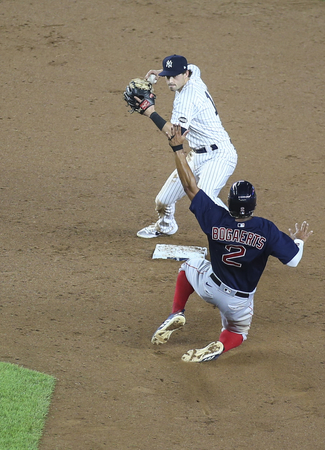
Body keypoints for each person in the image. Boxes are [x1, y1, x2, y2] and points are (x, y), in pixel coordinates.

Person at [150, 124, 313, 363]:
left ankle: (177, 312)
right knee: (238, 332)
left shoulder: (216, 216)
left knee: (189, 267)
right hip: (238, 301)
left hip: (208, 286)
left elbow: (189, 187)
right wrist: (298, 240)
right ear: (254, 205)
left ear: (230, 202)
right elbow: (294, 260)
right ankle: (221, 344)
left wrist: (177, 148)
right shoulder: (265, 229)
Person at [133, 54, 238, 238]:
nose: (171, 81)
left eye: (175, 76)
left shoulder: (186, 99)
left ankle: (238, 232)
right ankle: (166, 226)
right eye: (167, 76)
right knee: (163, 201)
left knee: (206, 198)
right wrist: (161, 71)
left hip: (219, 155)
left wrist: (150, 112)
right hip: (197, 155)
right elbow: (194, 66)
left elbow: (175, 135)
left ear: (185, 74)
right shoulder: (194, 74)